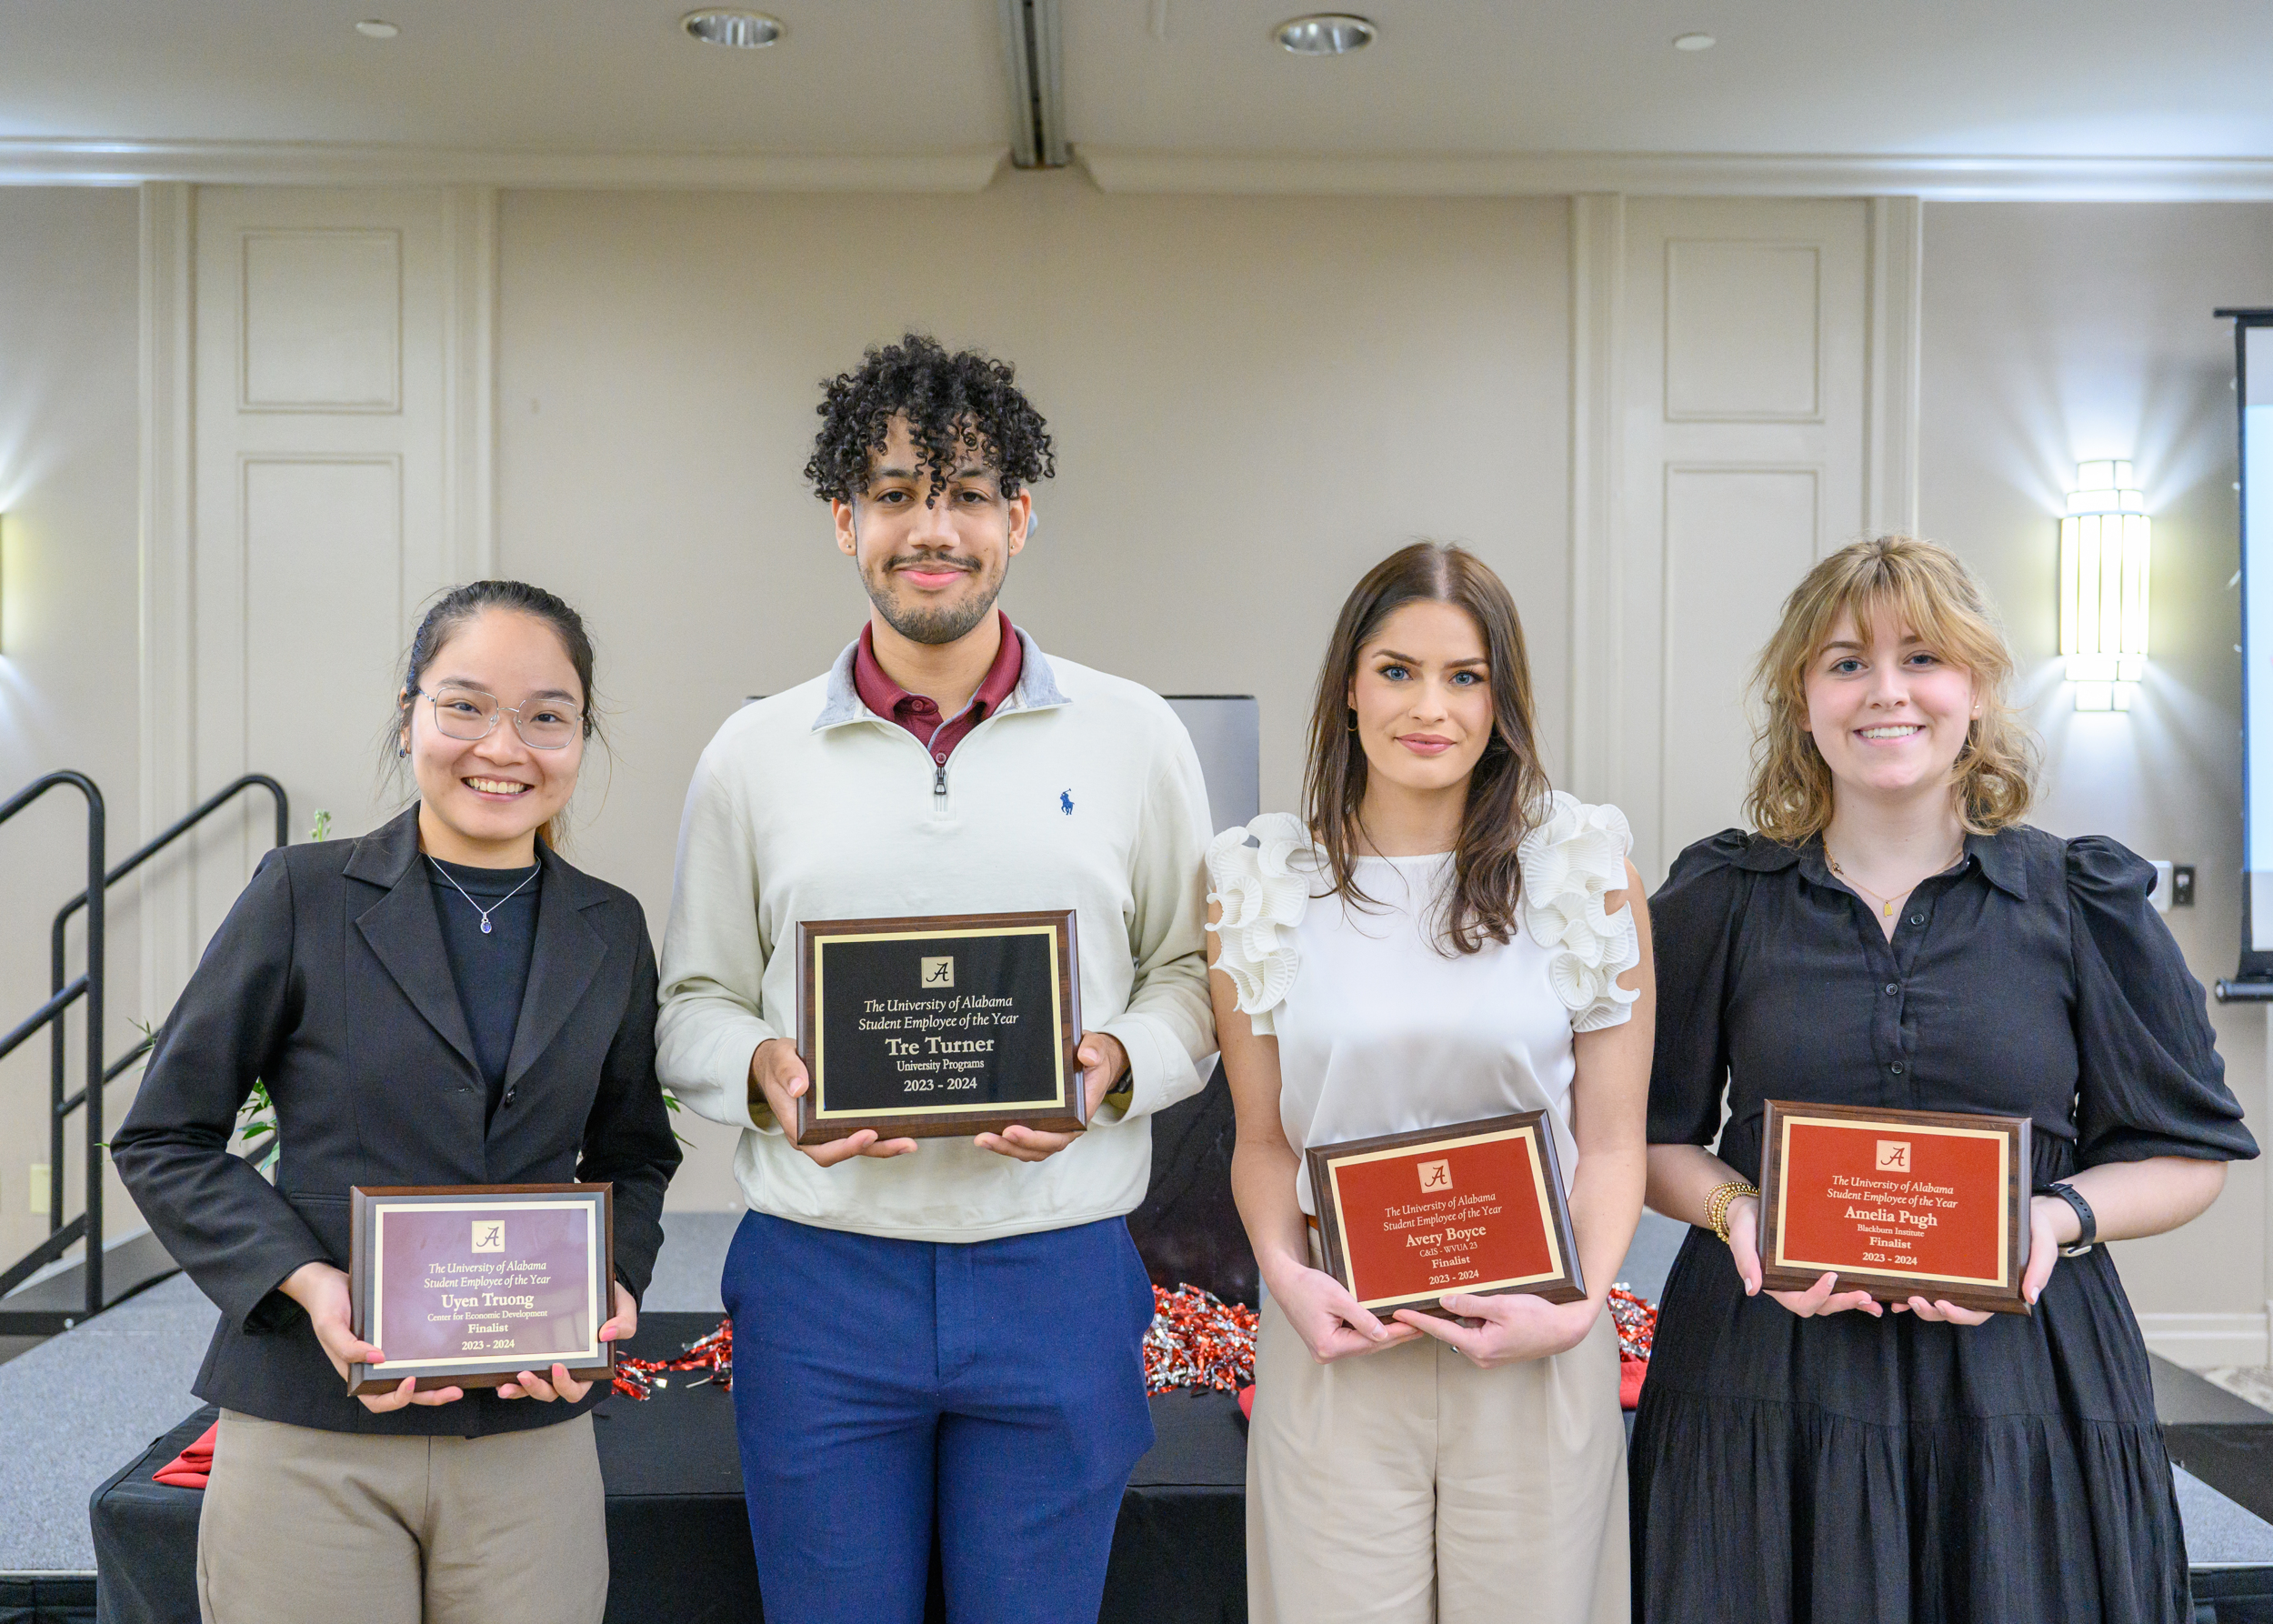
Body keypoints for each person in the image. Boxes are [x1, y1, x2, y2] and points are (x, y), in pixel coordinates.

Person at [656, 334, 1217, 1624]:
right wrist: (762, 1075)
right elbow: (690, 1004)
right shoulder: (753, 753)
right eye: (898, 491)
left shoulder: (1134, 735)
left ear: (1019, 518)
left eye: (967, 493)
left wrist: (1117, 1063)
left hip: (1059, 1267)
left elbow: (1193, 977)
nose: (933, 526)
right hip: (823, 1272)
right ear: (843, 518)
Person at [1629, 535, 2257, 1623]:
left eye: (1920, 657)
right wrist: (1740, 1214)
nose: (1886, 693)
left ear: (1973, 686)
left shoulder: (2077, 898)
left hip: (2024, 1386)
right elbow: (1644, 1138)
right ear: (1801, 695)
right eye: (1844, 663)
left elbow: (2185, 1154)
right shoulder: (1718, 900)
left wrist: (2052, 1220)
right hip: (1766, 1379)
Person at [111, 580, 682, 1624]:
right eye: (463, 703)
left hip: (528, 1436)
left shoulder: (610, 928)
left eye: (546, 716)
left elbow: (633, 1152)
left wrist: (611, 1281)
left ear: (579, 736)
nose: (503, 746)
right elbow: (164, 1135)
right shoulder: (303, 894)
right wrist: (309, 1282)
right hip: (311, 1428)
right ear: (410, 710)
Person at [1208, 541, 1655, 1624]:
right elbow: (1263, 1141)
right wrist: (1281, 1270)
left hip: (1537, 1339)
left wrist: (1580, 1305)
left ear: (1501, 700)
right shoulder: (1257, 878)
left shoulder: (1586, 866)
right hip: (1340, 1339)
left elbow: (1611, 1143)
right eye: (1397, 670)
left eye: (1465, 676)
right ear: (1348, 687)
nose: (1430, 707)